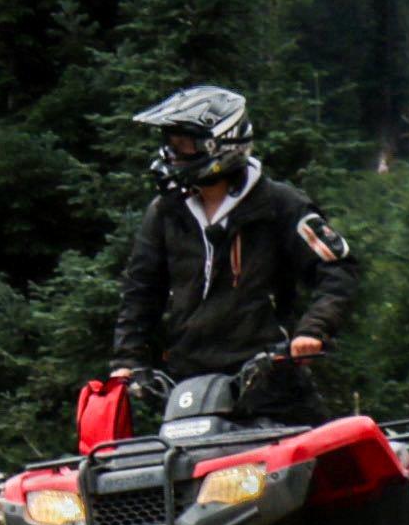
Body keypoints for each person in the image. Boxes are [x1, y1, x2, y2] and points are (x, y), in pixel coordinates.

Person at [109, 84, 354, 418]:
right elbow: (140, 292)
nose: (174, 153)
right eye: (171, 143)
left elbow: (337, 269)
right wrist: (127, 363)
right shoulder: (166, 212)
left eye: (186, 143)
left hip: (270, 382)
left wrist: (313, 330)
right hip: (188, 390)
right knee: (182, 469)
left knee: (321, 462)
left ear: (223, 143)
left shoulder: (280, 204)